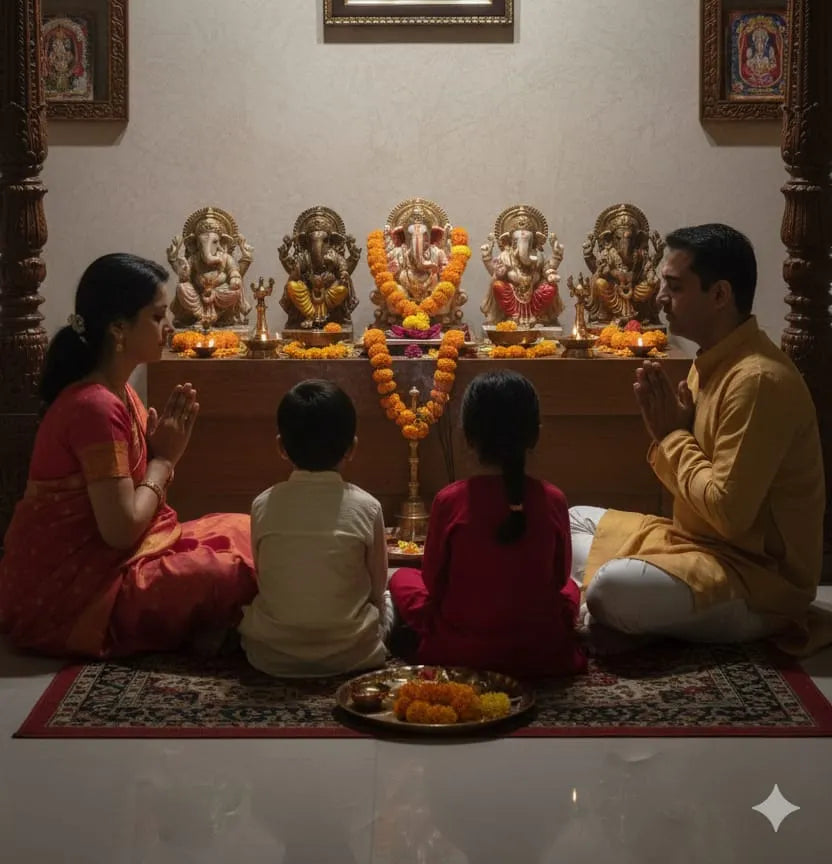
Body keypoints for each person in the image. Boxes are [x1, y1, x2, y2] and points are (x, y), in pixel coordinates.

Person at [571, 223, 832, 653]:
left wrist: (673, 436)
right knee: (569, 520)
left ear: (720, 295)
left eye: (674, 287)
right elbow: (692, 493)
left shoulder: (759, 381)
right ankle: (632, 615)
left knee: (609, 590)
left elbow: (728, 514)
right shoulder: (710, 362)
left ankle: (619, 611)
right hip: (691, 543)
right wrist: (677, 433)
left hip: (755, 577)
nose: (659, 298)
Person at [0, 253, 257, 659]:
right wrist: (164, 460)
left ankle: (213, 625)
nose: (169, 327)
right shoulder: (93, 407)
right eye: (157, 317)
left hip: (114, 563)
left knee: (247, 529)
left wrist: (155, 454)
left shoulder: (120, 394)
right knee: (221, 571)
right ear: (119, 329)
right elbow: (119, 531)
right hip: (75, 598)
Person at [390, 370, 587, 677]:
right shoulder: (553, 499)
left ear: (467, 435)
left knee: (401, 578)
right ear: (534, 434)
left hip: (459, 648)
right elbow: (560, 579)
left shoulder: (449, 500)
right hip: (540, 648)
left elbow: (431, 583)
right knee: (573, 590)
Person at [239, 380, 393, 677]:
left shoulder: (261, 504)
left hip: (271, 653)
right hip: (354, 653)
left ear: (281, 447)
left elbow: (263, 576)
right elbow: (377, 589)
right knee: (394, 594)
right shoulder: (368, 506)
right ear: (352, 448)